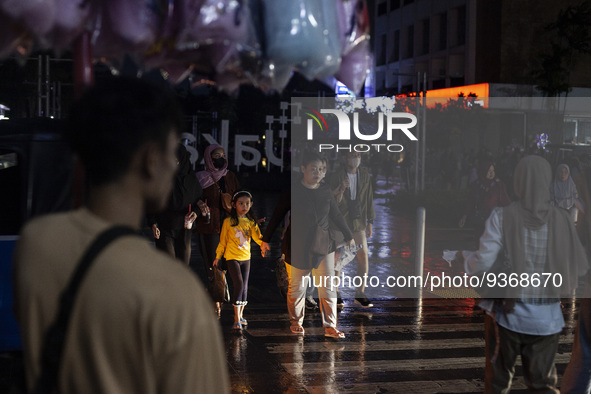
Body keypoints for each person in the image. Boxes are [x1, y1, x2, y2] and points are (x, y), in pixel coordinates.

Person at [12, 77, 230, 393]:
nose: (175, 164)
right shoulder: (178, 293)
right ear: (150, 159)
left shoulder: (35, 243)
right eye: (172, 153)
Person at [454, 155, 588, 393]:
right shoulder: (561, 219)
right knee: (542, 385)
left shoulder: (502, 216)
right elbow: (575, 269)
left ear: (518, 182)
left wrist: (466, 259)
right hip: (547, 320)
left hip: (507, 316)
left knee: (498, 383)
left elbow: (483, 262)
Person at [263, 151, 353, 338]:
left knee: (327, 286)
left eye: (321, 169)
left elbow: (335, 214)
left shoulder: (326, 190)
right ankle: (296, 322)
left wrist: (348, 235)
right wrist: (265, 239)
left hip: (323, 245)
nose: (318, 173)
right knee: (297, 287)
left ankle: (330, 326)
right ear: (303, 169)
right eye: (313, 169)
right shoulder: (293, 191)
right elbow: (277, 215)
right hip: (298, 245)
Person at [195, 143, 241, 316]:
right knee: (213, 263)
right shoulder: (200, 178)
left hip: (229, 226)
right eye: (216, 156)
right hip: (209, 226)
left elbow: (241, 197)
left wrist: (252, 218)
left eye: (222, 155)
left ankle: (215, 291)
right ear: (208, 157)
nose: (220, 158)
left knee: (228, 263)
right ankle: (216, 300)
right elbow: (193, 198)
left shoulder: (230, 177)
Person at [328, 151, 376, 308]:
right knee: (338, 260)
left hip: (358, 223)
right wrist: (341, 189)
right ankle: (336, 293)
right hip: (340, 223)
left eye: (359, 156)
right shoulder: (337, 176)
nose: (356, 159)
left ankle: (360, 293)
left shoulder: (365, 176)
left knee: (363, 256)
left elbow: (369, 198)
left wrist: (370, 221)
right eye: (353, 155)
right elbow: (331, 200)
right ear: (344, 158)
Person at [149, 143, 209, 265]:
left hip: (185, 228)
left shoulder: (191, 179)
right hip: (164, 226)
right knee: (168, 265)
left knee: (183, 266)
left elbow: (199, 200)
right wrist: (152, 223)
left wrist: (196, 213)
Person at [213, 190, 264, 330]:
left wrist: (265, 245)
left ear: (251, 204)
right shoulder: (228, 222)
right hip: (232, 257)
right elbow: (222, 241)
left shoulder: (251, 222)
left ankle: (240, 315)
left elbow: (258, 238)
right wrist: (218, 256)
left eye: (247, 203)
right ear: (234, 205)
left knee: (245, 287)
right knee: (239, 284)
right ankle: (236, 319)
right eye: (241, 203)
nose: (244, 206)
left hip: (246, 258)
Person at [458, 160, 511, 247]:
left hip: (493, 221)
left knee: (492, 244)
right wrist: (464, 216)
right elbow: (470, 202)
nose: (491, 173)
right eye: (489, 171)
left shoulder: (499, 185)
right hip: (480, 220)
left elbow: (506, 201)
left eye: (493, 171)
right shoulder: (476, 185)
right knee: (479, 243)